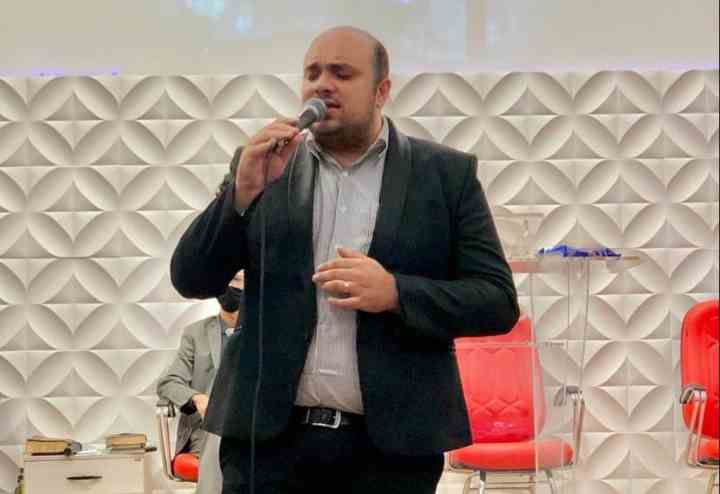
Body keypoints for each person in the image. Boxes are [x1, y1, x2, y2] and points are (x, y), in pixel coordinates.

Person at [170, 26, 519, 494]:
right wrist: (241, 193)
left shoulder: (445, 175)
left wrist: (396, 293)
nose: (322, 85)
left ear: (381, 91)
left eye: (341, 73)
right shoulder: (265, 165)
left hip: (390, 454)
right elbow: (191, 278)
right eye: (312, 73)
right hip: (266, 448)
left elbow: (496, 301)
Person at [156, 272, 245, 461]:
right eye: (224, 280)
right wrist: (197, 398)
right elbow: (168, 383)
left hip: (250, 433)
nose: (229, 286)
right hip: (207, 433)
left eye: (236, 280)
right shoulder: (195, 333)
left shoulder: (264, 334)